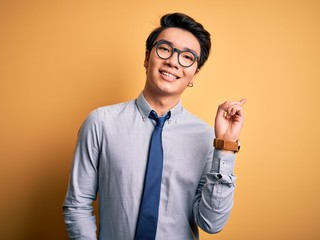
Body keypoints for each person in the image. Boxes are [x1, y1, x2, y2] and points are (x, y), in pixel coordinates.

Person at [62, 12, 246, 240]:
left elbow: (211, 223)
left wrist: (225, 148)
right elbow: (77, 205)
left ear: (194, 74)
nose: (173, 61)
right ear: (147, 57)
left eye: (187, 57)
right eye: (165, 49)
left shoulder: (207, 138)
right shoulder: (101, 123)